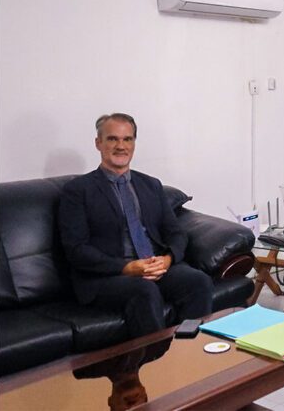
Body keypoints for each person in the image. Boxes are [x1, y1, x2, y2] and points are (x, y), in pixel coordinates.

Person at [59, 113, 214, 339]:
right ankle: (157, 359)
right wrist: (127, 267)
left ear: (134, 143)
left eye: (127, 139)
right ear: (98, 143)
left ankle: (189, 351)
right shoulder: (77, 190)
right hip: (108, 276)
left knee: (198, 282)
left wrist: (167, 259)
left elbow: (176, 233)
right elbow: (76, 250)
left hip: (153, 266)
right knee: (144, 290)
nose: (121, 146)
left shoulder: (150, 185)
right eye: (112, 139)